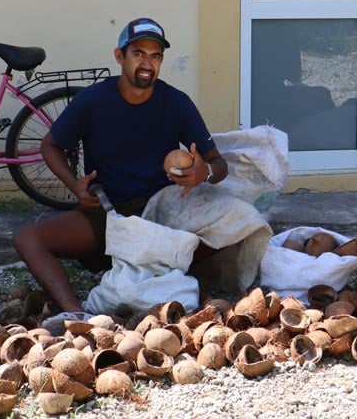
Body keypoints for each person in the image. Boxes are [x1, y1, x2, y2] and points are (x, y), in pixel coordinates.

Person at [13, 17, 228, 321]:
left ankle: (165, 274)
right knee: (28, 239)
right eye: (138, 53)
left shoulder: (176, 103)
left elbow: (219, 163)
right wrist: (75, 184)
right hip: (106, 213)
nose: (147, 63)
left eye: (155, 56)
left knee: (239, 223)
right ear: (120, 56)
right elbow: (50, 145)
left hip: (161, 214)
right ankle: (76, 315)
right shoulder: (92, 101)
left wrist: (202, 172)